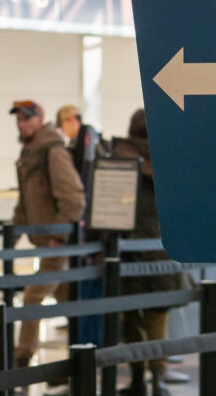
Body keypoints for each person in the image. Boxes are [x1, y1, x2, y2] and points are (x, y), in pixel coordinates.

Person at [114, 109, 189, 396]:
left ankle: (136, 379)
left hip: (128, 249)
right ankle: (158, 377)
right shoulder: (170, 161)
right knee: (157, 318)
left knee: (131, 318)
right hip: (161, 250)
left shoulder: (120, 156)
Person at [9, 99, 86, 368]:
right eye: (18, 119)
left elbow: (74, 199)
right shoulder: (29, 155)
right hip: (44, 242)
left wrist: (58, 237)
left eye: (26, 118)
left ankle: (22, 357)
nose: (21, 123)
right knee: (67, 298)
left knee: (33, 295)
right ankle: (85, 354)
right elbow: (25, 202)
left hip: (57, 244)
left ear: (39, 120)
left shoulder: (52, 151)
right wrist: (13, 233)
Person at [56, 104, 106, 348]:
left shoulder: (86, 143)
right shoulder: (90, 142)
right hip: (92, 230)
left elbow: (82, 191)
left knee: (88, 284)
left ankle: (88, 340)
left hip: (89, 232)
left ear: (70, 120)